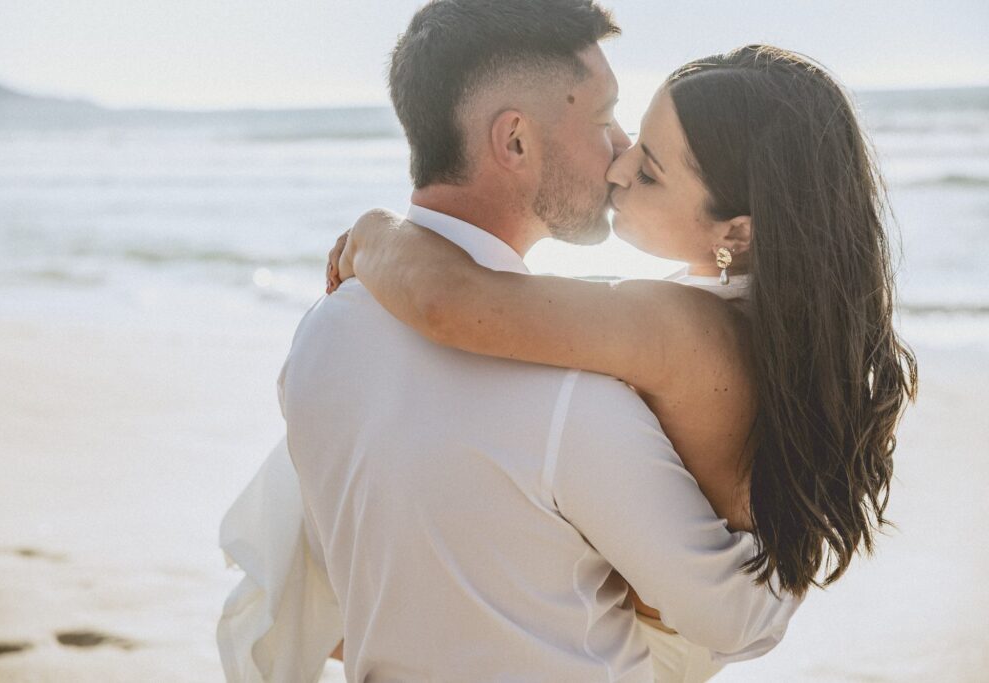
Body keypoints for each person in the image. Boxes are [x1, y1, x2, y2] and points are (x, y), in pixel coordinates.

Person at [219, 3, 804, 682]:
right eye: (602, 117)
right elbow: (736, 620)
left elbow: (338, 592)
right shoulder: (576, 393)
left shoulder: (323, 334)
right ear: (516, 142)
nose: (620, 151)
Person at [327, 40, 919, 674]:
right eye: (636, 137)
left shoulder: (679, 326)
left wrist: (372, 232)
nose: (617, 166)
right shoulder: (775, 323)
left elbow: (451, 303)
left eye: (651, 172)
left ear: (737, 232)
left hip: (630, 647)